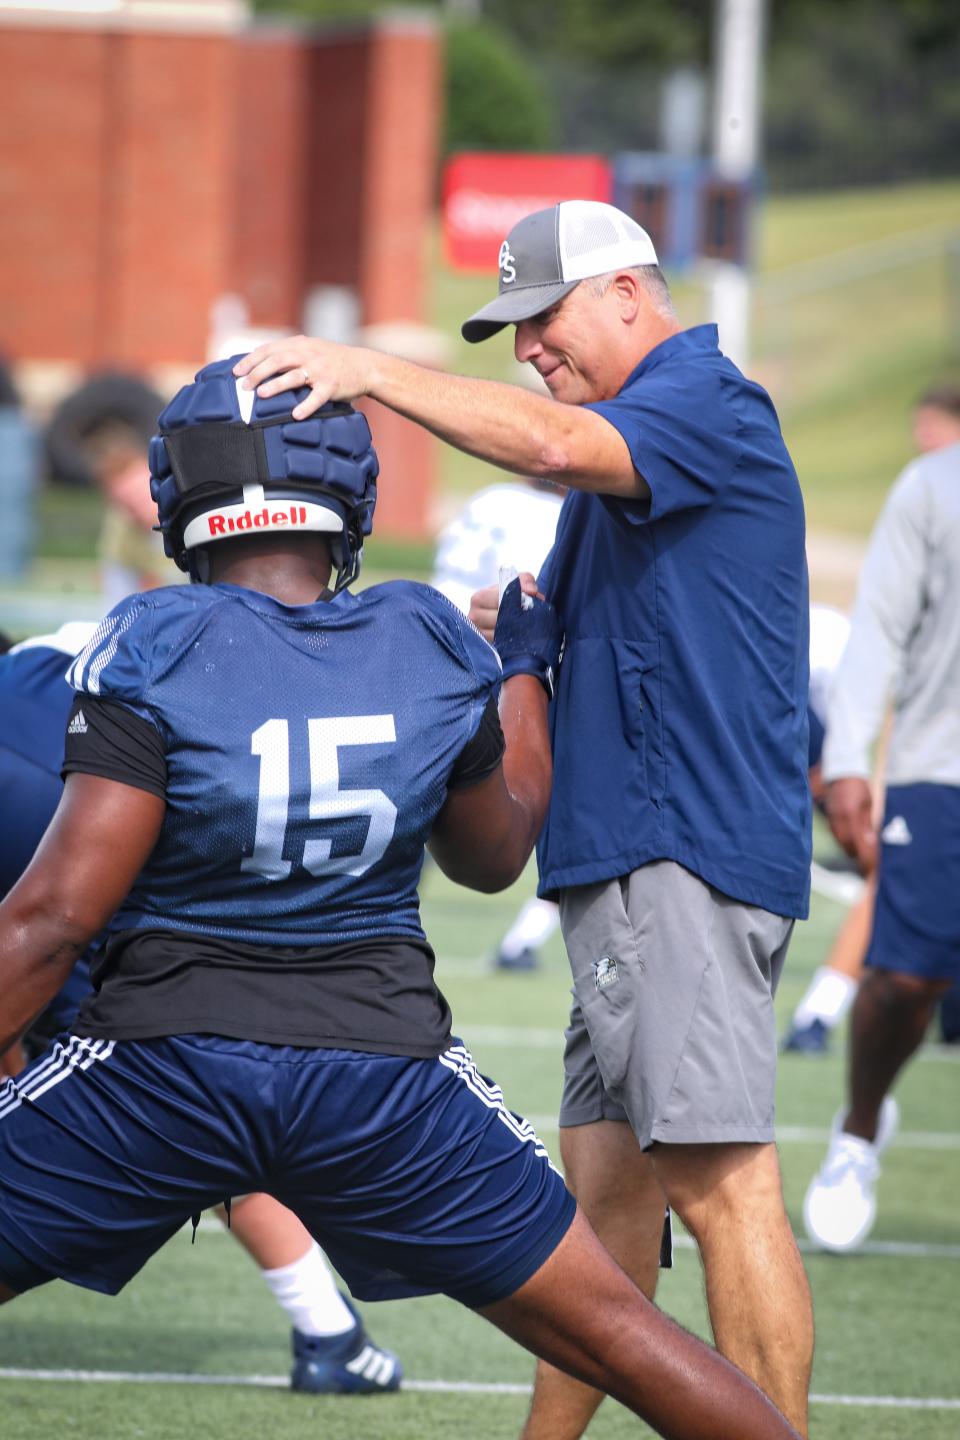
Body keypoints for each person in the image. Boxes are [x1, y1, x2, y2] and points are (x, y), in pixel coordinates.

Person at [0, 358, 802, 1440]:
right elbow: (493, 852)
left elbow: (53, 919)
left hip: (165, 1067)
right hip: (384, 1079)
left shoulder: (152, 641)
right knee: (621, 1335)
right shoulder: (422, 637)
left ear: (178, 493)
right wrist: (522, 667)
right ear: (348, 492)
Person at [234, 198, 814, 1438]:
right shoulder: (636, 441)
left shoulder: (702, 401)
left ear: (624, 292)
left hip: (682, 854)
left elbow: (552, 447)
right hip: (627, 864)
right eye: (511, 331)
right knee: (603, 1213)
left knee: (721, 1183)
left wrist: (366, 372)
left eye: (540, 319)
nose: (529, 350)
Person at [0, 622, 401, 1393]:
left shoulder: (69, 661)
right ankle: (331, 1333)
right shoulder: (136, 650)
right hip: (86, 815)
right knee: (179, 1082)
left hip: (71, 811)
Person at [803, 433, 960, 1253]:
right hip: (944, 766)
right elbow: (878, 633)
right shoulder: (934, 486)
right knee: (903, 979)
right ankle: (859, 1131)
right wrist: (851, 761)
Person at [431, 477, 565, 969]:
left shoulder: (488, 497)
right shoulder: (552, 519)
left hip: (436, 640)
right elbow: (537, 606)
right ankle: (525, 939)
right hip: (498, 660)